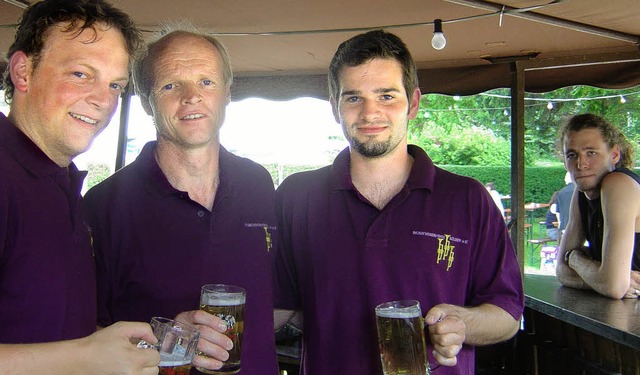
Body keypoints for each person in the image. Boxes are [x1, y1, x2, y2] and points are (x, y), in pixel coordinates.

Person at [274, 30, 524, 375]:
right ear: (335, 107)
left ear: (414, 103)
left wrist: (462, 322)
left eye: (387, 96)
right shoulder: (296, 196)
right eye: (353, 98)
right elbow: (279, 306)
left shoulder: (468, 199)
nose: (370, 112)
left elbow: (507, 314)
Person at [83, 24, 279, 374]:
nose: (192, 96)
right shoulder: (103, 206)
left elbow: (278, 302)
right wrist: (166, 339)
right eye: (171, 85)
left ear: (227, 93)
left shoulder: (259, 184)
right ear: (146, 102)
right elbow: (84, 339)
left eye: (206, 82)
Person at [0, 0, 161, 373]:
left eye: (115, 85)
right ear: (23, 72)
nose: (103, 100)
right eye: (80, 74)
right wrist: (86, 356)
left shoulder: (59, 183)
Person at [556, 113, 640, 299]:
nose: (581, 164)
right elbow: (561, 271)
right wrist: (601, 279)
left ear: (614, 155)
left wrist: (575, 259)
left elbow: (613, 286)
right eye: (572, 155)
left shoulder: (619, 184)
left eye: (591, 153)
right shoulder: (581, 192)